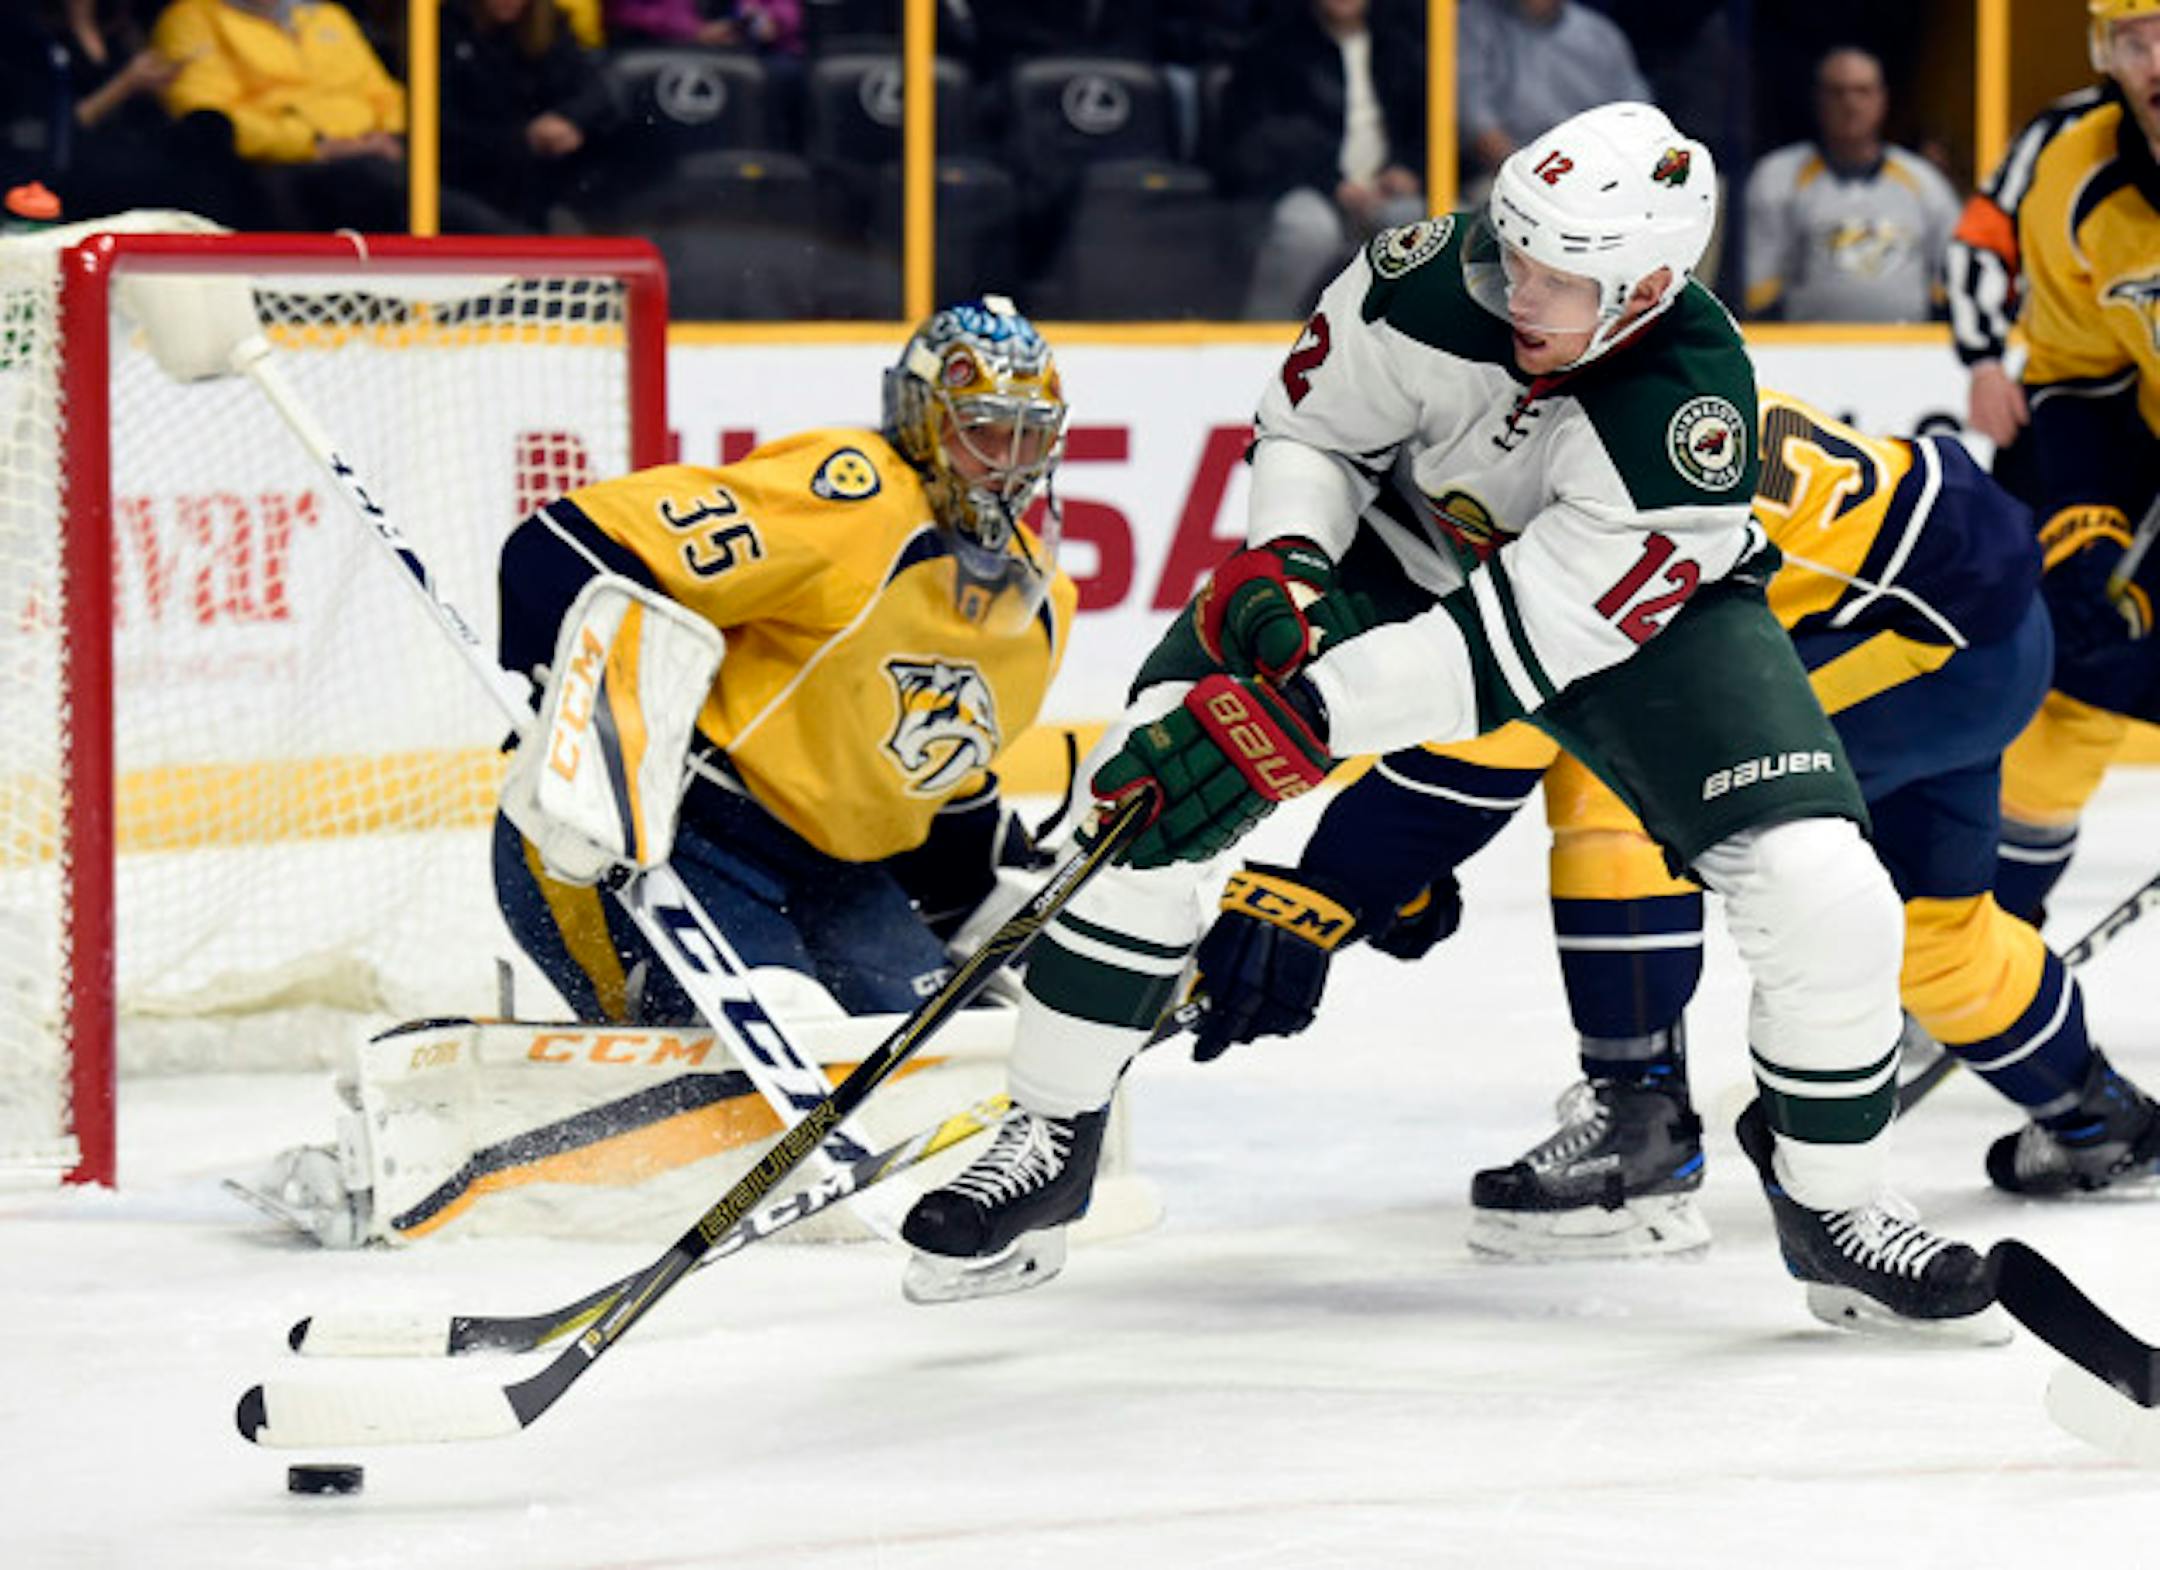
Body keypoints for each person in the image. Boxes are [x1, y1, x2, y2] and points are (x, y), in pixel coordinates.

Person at [899, 102, 2002, 1338]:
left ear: (1643, 290)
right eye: (1512, 254)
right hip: (1407, 544)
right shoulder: (1423, 275)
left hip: (1635, 616)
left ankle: (1838, 1207)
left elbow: (1502, 656)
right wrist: (1289, 563)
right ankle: (1051, 1138)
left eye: (1558, 278)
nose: (1517, 290)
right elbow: (1312, 428)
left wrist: (1295, 720)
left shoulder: (1687, 419)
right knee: (1144, 768)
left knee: (1825, 884)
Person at [1193, 391, 2160, 1265]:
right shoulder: (1550, 425)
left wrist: (1335, 887)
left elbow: (1500, 741)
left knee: (1627, 767)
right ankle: (2099, 1117)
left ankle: (1639, 1125)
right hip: (1957, 623)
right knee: (1935, 929)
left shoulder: (1535, 502)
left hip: (1917, 637)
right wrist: (1367, 873)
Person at [245, 296, 1077, 1248]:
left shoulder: (1040, 599)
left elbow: (943, 779)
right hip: (666, 839)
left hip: (837, 878)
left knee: (941, 1053)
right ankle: (409, 1153)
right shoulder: (851, 495)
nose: (1006, 462)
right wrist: (571, 731)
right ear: (925, 425)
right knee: (772, 1053)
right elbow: (562, 547)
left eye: (1027, 436)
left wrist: (979, 914)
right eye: (981, 433)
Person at [1986, 0, 2160, 931]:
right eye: (2134, 38)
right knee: (2072, 687)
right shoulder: (2078, 173)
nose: (2157, 58)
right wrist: (2090, 526)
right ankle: (1979, 953)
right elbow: (2079, 383)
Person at [1218, 0, 1427, 320]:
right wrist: (1332, 183)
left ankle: (1406, 344)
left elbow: (1429, 125)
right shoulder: (1272, 49)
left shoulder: (1398, 47)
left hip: (1385, 194)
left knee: (1424, 224)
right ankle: (1262, 336)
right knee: (1308, 231)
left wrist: (1408, 169)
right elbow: (1254, 143)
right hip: (1308, 191)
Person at [150, 0, 412, 232]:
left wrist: (386, 135)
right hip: (279, 163)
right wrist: (314, 145)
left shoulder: (326, 16)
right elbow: (206, 115)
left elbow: (385, 95)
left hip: (374, 149)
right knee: (381, 186)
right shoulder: (191, 19)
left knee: (426, 168)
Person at [1742, 46, 1960, 322]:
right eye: (1837, 92)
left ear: (1882, 99)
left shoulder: (1925, 182)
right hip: (1804, 354)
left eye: (1862, 91)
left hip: (1910, 352)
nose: (1850, 104)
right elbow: (1758, 296)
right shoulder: (1778, 177)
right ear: (1817, 99)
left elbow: (1953, 285)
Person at [440, 0, 625, 232]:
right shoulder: (442, 31)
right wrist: (522, 139)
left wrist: (567, 119)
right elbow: (443, 130)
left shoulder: (548, 25)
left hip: (538, 184)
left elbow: (596, 92)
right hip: (466, 182)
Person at [1456, 0, 1650, 194]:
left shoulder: (1599, 33)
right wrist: (1534, 185)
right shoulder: (1470, 22)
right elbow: (1476, 122)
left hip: (1598, 177)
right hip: (1506, 178)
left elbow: (1637, 116)